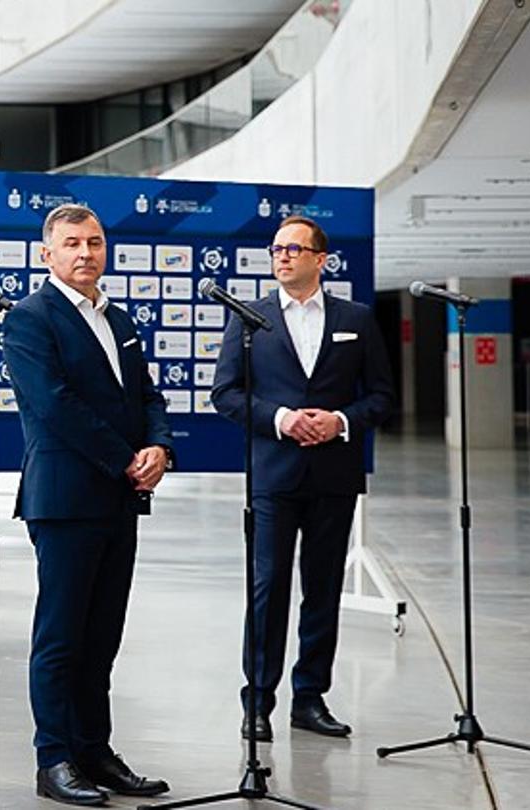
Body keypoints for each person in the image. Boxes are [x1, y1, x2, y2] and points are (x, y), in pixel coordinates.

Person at [4, 203, 172, 806]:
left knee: (102, 635)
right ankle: (55, 759)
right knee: (62, 635)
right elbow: (54, 404)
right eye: (72, 243)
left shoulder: (117, 317)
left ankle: (94, 750)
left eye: (95, 243)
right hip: (67, 498)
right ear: (47, 252)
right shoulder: (29, 319)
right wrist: (126, 458)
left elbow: (146, 394)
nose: (85, 253)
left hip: (119, 498)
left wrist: (158, 446)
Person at [214, 215, 395, 743]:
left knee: (323, 589)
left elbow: (381, 396)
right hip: (274, 475)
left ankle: (310, 697)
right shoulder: (251, 320)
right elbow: (226, 393)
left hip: (334, 475)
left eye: (295, 248)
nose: (283, 256)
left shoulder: (357, 319)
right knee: (267, 588)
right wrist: (282, 418)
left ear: (321, 259)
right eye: (277, 249)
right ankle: (258, 702)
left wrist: (339, 422)